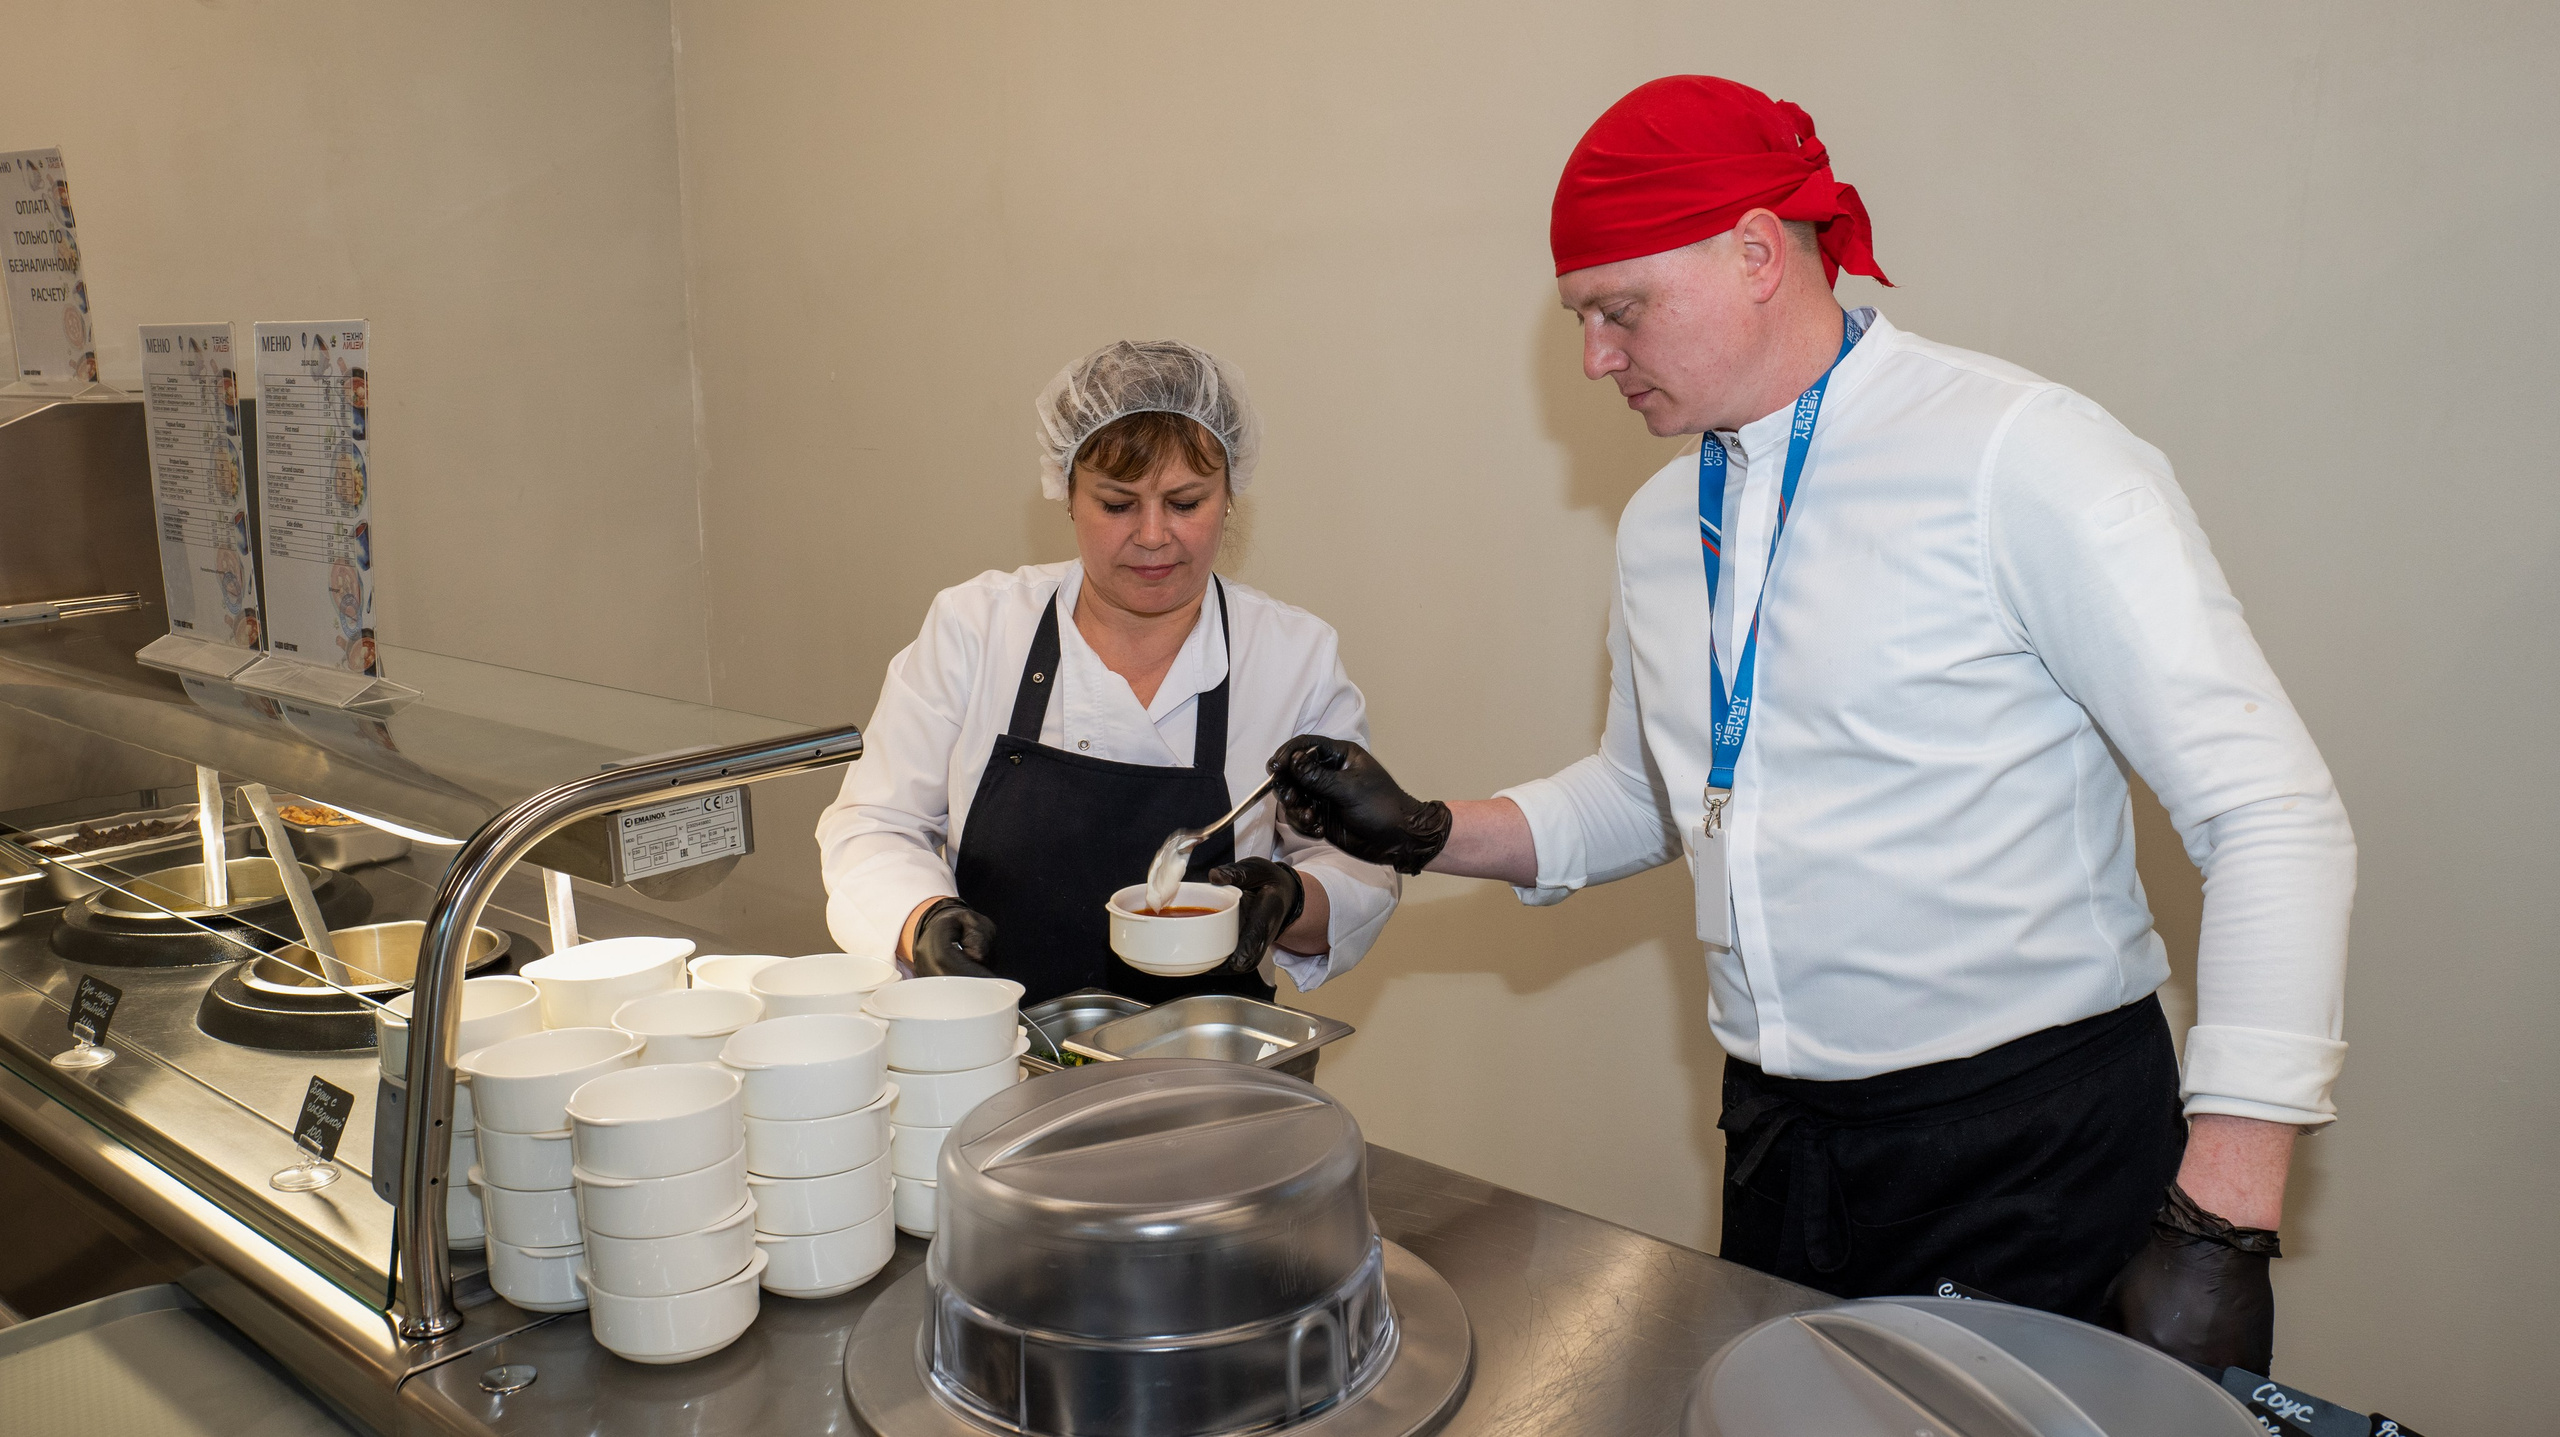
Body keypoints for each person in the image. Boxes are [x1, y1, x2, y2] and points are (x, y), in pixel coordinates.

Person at [1267, 77, 2352, 1375]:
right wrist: (1427, 830)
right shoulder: (1665, 525)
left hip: (2033, 1143)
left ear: (1754, 250)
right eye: (1582, 319)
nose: (1596, 358)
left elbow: (2274, 816)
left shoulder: (2021, 455)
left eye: (1621, 312)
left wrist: (2221, 1220)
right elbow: (1655, 796)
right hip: (1788, 1144)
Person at [818, 340, 1399, 1007]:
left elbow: (1361, 866)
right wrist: (919, 921)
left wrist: (1292, 899)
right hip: (995, 1054)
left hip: (1206, 1074)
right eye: (1118, 504)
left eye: (1185, 503)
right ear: (1065, 493)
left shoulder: (1291, 656)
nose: (1153, 535)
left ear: (1231, 494)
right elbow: (872, 823)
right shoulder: (978, 628)